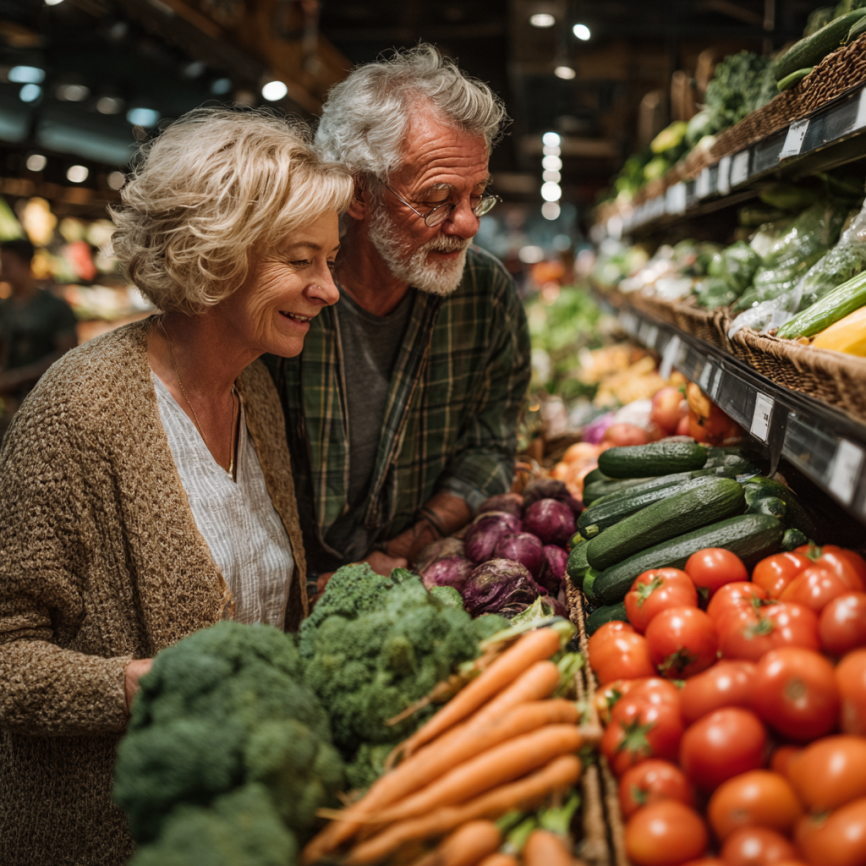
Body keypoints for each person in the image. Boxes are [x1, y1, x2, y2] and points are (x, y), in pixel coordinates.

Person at [0, 107, 352, 866]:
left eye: (330, 259)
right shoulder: (78, 414)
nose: (329, 289)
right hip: (110, 836)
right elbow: (7, 659)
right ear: (219, 256)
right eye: (303, 259)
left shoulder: (254, 387)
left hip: (240, 829)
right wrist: (144, 686)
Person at [267, 45, 532, 593]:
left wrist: (400, 551)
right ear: (359, 192)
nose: (466, 225)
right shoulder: (283, 297)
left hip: (412, 583)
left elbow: (490, 445)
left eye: (476, 196)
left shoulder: (485, 295)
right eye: (436, 199)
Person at [0, 238, 78, 436]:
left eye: (7, 265)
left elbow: (67, 356)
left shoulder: (55, 308)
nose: (2, 271)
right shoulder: (4, 308)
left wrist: (17, 377)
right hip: (9, 404)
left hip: (46, 404)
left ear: (27, 265)